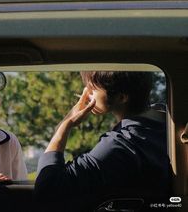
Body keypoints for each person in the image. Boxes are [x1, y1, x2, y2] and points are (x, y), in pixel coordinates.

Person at [35, 71, 172, 211]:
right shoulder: (166, 121)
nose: (86, 92)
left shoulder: (120, 145)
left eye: (92, 88)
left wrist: (66, 125)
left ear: (121, 97)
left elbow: (47, 189)